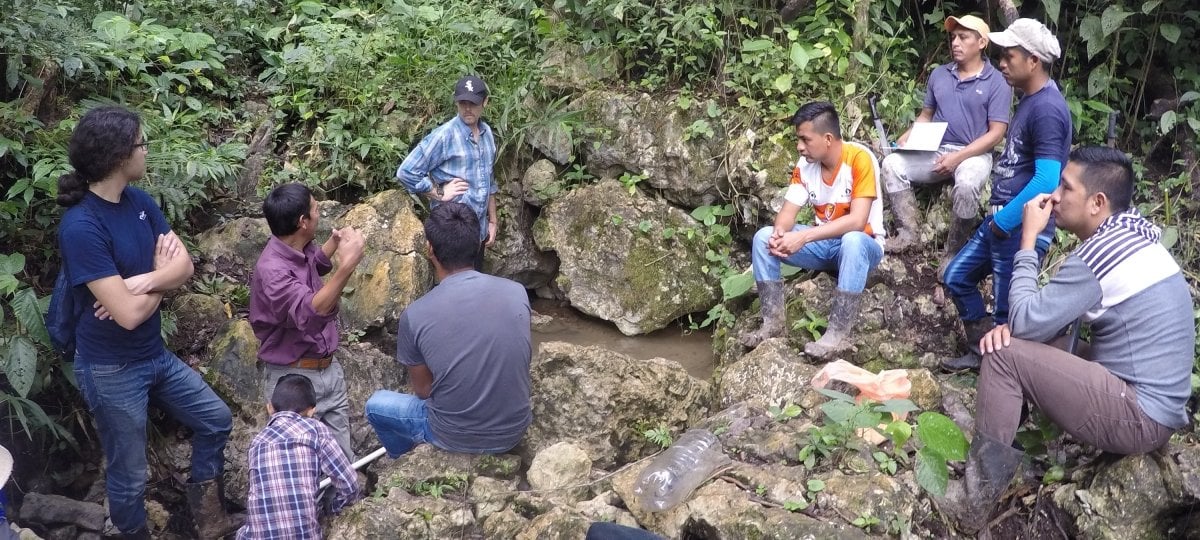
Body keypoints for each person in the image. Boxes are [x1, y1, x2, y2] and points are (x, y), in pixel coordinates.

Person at [940, 147, 1194, 534]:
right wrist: (1023, 329)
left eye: (1066, 187)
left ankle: (975, 500)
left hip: (1141, 415)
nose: (1054, 196)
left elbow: (1023, 323)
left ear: (1097, 203)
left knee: (1004, 354)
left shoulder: (1100, 256)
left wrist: (1027, 243)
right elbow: (1039, 324)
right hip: (1148, 400)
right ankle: (1011, 449)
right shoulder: (1130, 236)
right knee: (1036, 341)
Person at [56, 106, 241, 539]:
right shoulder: (81, 226)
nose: (147, 152)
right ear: (120, 156)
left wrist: (140, 282)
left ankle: (208, 519)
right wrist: (158, 284)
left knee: (215, 419)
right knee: (129, 472)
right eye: (142, 144)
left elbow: (186, 268)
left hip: (153, 355)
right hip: (110, 368)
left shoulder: (139, 202)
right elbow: (127, 314)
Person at [940, 18, 1071, 371]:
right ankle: (981, 350)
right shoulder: (1031, 100)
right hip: (1003, 219)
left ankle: (1002, 380)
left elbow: (1046, 179)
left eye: (1009, 56)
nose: (1001, 63)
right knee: (956, 277)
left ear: (1033, 61)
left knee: (1006, 311)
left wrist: (1005, 221)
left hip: (1018, 225)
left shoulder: (1046, 108)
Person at [365, 202, 531, 457]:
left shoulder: (415, 315)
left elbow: (423, 391)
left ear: (430, 249)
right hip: (514, 430)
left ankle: (402, 460)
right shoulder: (516, 291)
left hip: (452, 435)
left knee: (376, 405)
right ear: (478, 242)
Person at [738, 101, 885, 359]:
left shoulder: (860, 159)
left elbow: (858, 222)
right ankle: (772, 324)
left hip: (863, 245)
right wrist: (779, 235)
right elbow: (787, 213)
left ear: (828, 138)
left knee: (852, 239)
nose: (799, 147)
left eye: (805, 139)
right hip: (825, 244)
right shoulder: (805, 166)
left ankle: (838, 334)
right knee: (763, 238)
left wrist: (803, 236)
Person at [249, 183, 366, 460]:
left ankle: (343, 505)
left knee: (340, 461)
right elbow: (310, 313)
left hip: (327, 370)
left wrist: (335, 243)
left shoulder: (297, 246)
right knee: (298, 468)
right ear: (303, 222)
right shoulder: (273, 271)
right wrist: (347, 265)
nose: (319, 212)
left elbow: (316, 263)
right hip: (293, 379)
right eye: (315, 209)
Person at [881, 15, 1012, 262]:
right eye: (953, 37)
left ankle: (953, 252)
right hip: (936, 148)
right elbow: (926, 115)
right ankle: (909, 233)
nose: (955, 43)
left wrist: (957, 158)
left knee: (968, 184)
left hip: (974, 153)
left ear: (982, 42)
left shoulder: (998, 82)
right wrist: (907, 138)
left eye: (963, 37)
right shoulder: (940, 75)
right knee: (891, 165)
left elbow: (996, 133)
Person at [238, 374, 360, 540]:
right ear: (311, 411)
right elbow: (349, 485)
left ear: (270, 408)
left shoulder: (257, 442)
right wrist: (335, 510)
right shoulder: (316, 430)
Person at [396, 75, 498, 271]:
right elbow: (406, 171)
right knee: (453, 293)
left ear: (485, 102)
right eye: (462, 103)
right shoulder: (444, 135)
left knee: (474, 291)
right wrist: (438, 192)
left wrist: (492, 221)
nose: (467, 108)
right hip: (451, 234)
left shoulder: (487, 134)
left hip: (478, 232)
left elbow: (490, 180)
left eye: (473, 103)